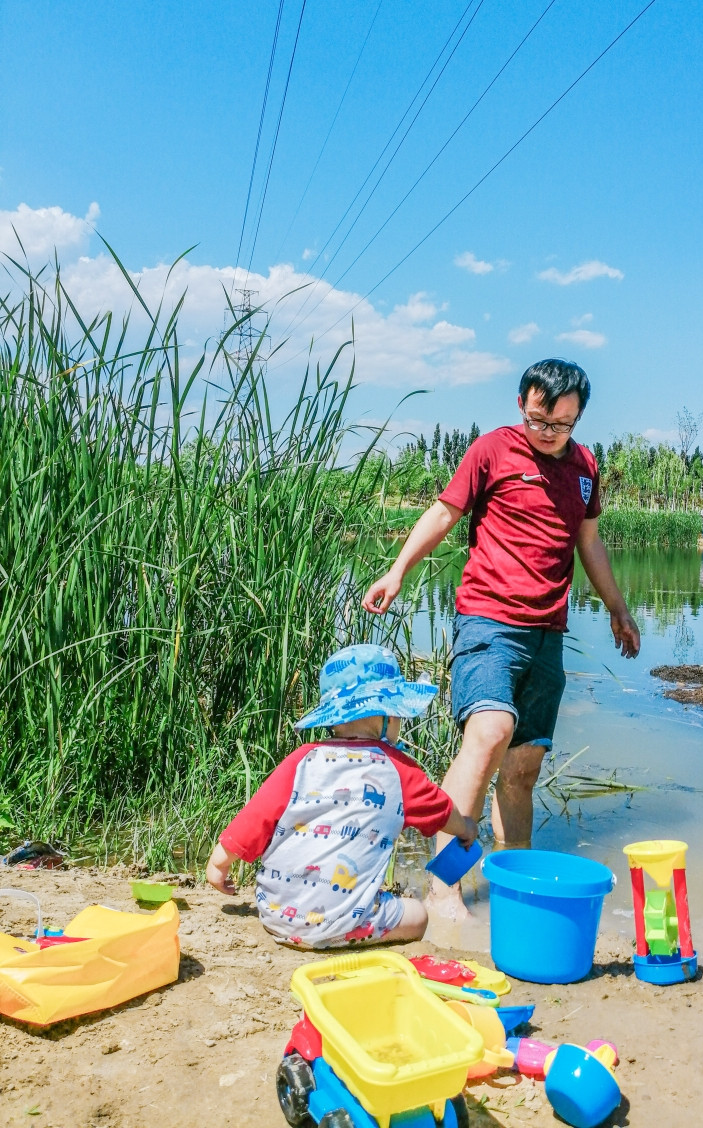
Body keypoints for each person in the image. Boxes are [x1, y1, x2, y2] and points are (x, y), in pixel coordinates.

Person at [362, 358, 641, 918]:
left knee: (522, 768)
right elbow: (443, 514)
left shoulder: (584, 466)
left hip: (547, 632)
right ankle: (443, 887)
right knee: (489, 733)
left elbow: (589, 541)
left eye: (563, 424)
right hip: (489, 619)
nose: (549, 434)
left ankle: (516, 887)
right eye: (540, 419)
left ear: (578, 417)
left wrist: (617, 607)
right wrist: (397, 572)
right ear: (522, 404)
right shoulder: (491, 451)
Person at [205, 643, 478, 948]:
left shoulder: (302, 759)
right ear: (385, 716)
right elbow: (441, 810)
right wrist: (466, 828)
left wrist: (219, 862)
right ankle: (351, 930)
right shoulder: (399, 770)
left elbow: (258, 815)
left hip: (275, 915)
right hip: (344, 924)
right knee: (417, 915)